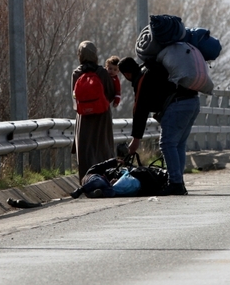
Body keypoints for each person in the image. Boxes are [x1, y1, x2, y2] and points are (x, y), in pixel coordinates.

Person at [120, 57, 199, 195]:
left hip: (177, 104)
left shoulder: (142, 77)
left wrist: (136, 139)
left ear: (126, 74)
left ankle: (175, 183)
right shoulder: (153, 69)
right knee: (178, 144)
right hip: (193, 101)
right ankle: (178, 182)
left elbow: (140, 110)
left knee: (167, 144)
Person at [71, 41, 116, 183]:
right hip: (102, 116)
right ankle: (106, 179)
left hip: (83, 117)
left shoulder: (77, 73)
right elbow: (110, 93)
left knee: (85, 149)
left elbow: (74, 97)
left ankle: (87, 181)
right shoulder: (102, 72)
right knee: (104, 147)